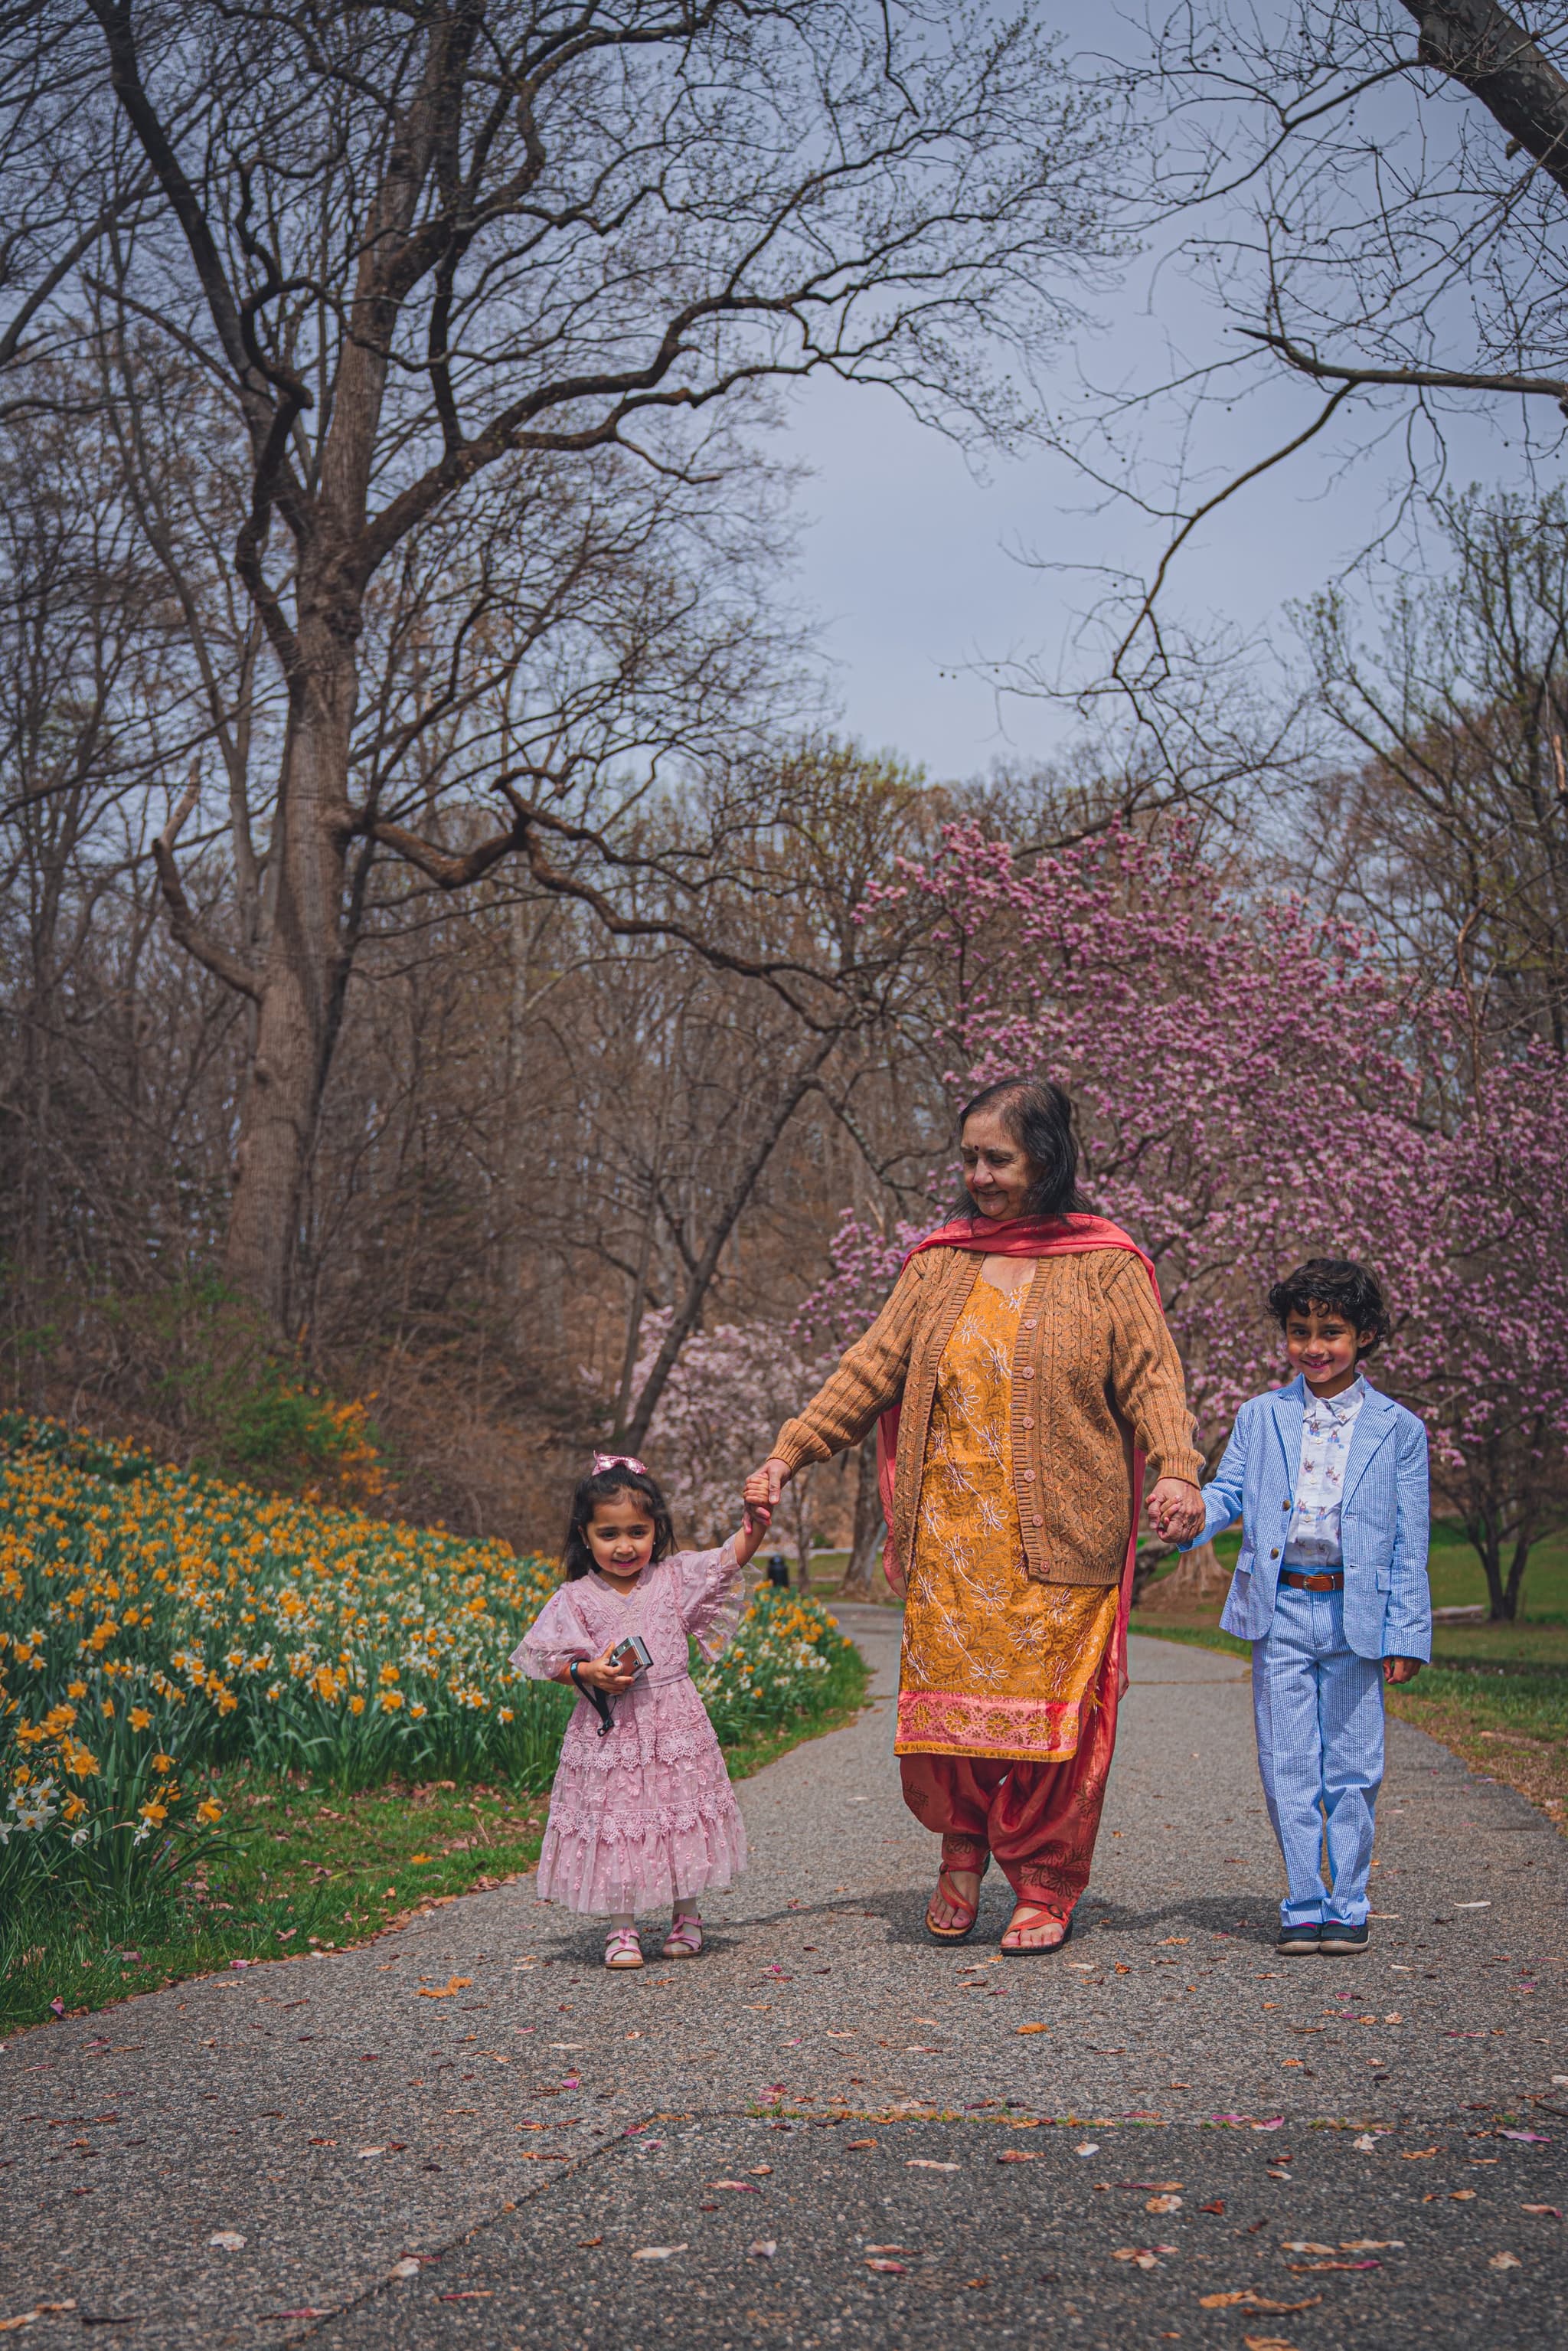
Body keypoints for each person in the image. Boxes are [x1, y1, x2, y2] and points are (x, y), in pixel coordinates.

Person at [750, 1078, 1206, 1952]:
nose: (980, 1175)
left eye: (998, 1158)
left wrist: (1179, 1471)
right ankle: (961, 1849)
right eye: (968, 1158)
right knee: (948, 1714)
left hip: (1062, 1536)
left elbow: (1153, 1378)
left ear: (1047, 1157)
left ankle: (1041, 1878)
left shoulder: (1105, 1265)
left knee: (1055, 1718)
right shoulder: (937, 1263)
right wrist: (787, 1453)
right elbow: (867, 1370)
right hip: (948, 1543)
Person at [1181, 1259, 1429, 1955]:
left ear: (1366, 1335)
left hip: (1358, 1617)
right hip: (1281, 1609)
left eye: (1332, 1332)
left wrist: (1406, 1630)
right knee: (1287, 1762)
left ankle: (1348, 1901)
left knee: (1353, 1767)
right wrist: (1190, 1514)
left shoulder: (1399, 1430)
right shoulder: (1262, 1417)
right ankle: (1303, 1899)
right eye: (1299, 1332)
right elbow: (1229, 1493)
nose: (1314, 1347)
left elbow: (1410, 1539)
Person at [513, 1452, 769, 1970]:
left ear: (657, 1530)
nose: (625, 1546)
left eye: (637, 1531)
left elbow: (728, 1560)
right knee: (617, 1820)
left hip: (674, 1720)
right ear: (585, 1536)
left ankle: (688, 1914)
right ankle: (621, 1926)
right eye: (609, 1534)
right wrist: (588, 1672)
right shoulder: (576, 1597)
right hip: (611, 1731)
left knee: (679, 1813)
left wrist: (755, 1525)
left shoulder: (674, 1579)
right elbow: (549, 1659)